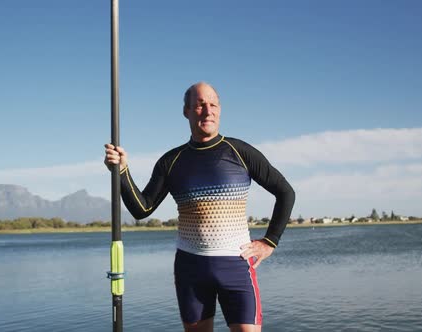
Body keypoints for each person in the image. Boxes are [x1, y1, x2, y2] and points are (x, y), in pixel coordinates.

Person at [104, 82, 295, 332]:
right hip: (190, 268)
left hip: (236, 265)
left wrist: (270, 241)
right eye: (199, 105)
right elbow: (143, 209)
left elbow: (285, 192)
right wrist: (121, 172)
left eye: (213, 104)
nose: (207, 111)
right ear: (186, 111)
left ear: (220, 110)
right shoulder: (171, 161)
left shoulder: (240, 152)